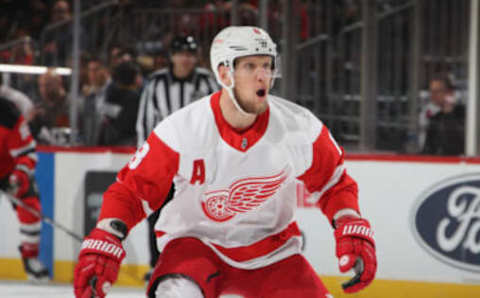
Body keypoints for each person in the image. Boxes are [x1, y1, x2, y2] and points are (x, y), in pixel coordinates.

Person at [73, 26, 377, 298]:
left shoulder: (299, 127)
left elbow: (333, 182)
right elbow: (133, 191)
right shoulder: (182, 130)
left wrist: (349, 221)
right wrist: (108, 235)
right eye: (250, 66)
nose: (263, 76)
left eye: (267, 66)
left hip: (272, 253)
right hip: (196, 247)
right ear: (223, 73)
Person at [136, 34, 218, 280]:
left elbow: (218, 119)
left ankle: (201, 262)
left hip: (199, 164)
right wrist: (146, 162)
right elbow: (145, 124)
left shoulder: (206, 82)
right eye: (181, 54)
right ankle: (157, 263)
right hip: (164, 162)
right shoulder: (156, 83)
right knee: (159, 213)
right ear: (171, 56)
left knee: (199, 216)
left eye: (190, 54)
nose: (185, 59)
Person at [0, 96, 50, 282]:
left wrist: (18, 177)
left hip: (8, 169)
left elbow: (27, 152)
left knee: (30, 205)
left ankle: (30, 258)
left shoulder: (8, 113)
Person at [422, 75, 465, 155]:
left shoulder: (464, 115)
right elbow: (427, 149)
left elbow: (458, 144)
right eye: (431, 91)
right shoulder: (435, 118)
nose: (433, 95)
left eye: (437, 91)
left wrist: (448, 112)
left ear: (449, 93)